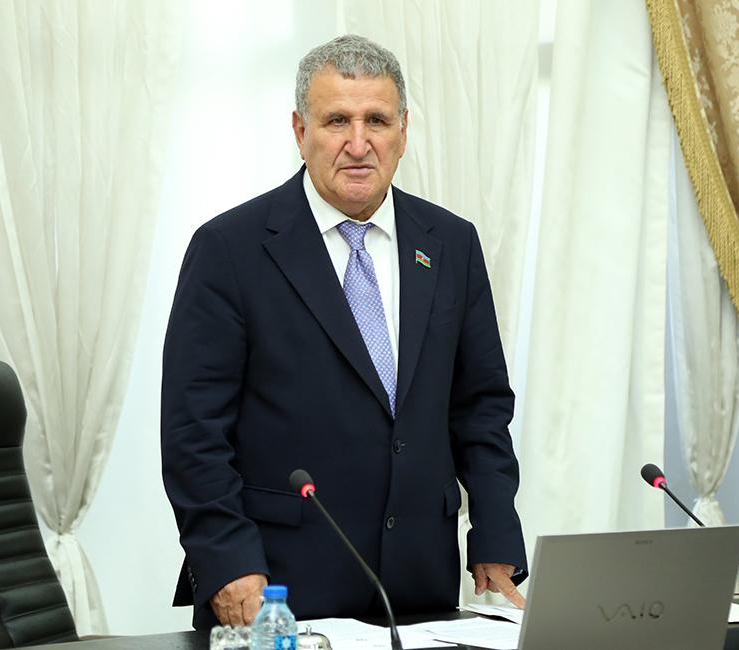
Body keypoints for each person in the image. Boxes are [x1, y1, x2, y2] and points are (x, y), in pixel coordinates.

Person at [161, 34, 526, 630]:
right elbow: (193, 432)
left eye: (376, 120)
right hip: (276, 591)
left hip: (419, 587)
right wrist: (226, 561)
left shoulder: (451, 243)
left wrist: (495, 531)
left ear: (403, 130)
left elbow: (480, 405)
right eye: (337, 121)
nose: (358, 144)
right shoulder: (229, 248)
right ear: (300, 130)